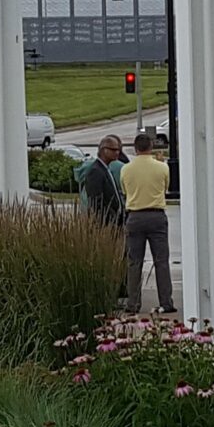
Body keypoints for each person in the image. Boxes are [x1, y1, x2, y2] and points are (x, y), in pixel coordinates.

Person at [119, 133, 173, 313]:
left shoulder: (126, 169)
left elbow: (125, 191)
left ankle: (133, 303)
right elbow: (165, 188)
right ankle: (166, 302)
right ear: (151, 147)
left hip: (134, 216)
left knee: (134, 262)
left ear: (135, 148)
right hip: (156, 215)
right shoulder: (162, 167)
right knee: (161, 261)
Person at [77, 135, 125, 227]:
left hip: (116, 222)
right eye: (114, 150)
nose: (117, 153)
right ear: (104, 150)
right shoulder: (95, 171)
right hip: (105, 225)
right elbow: (96, 201)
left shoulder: (106, 169)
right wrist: (109, 219)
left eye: (118, 150)